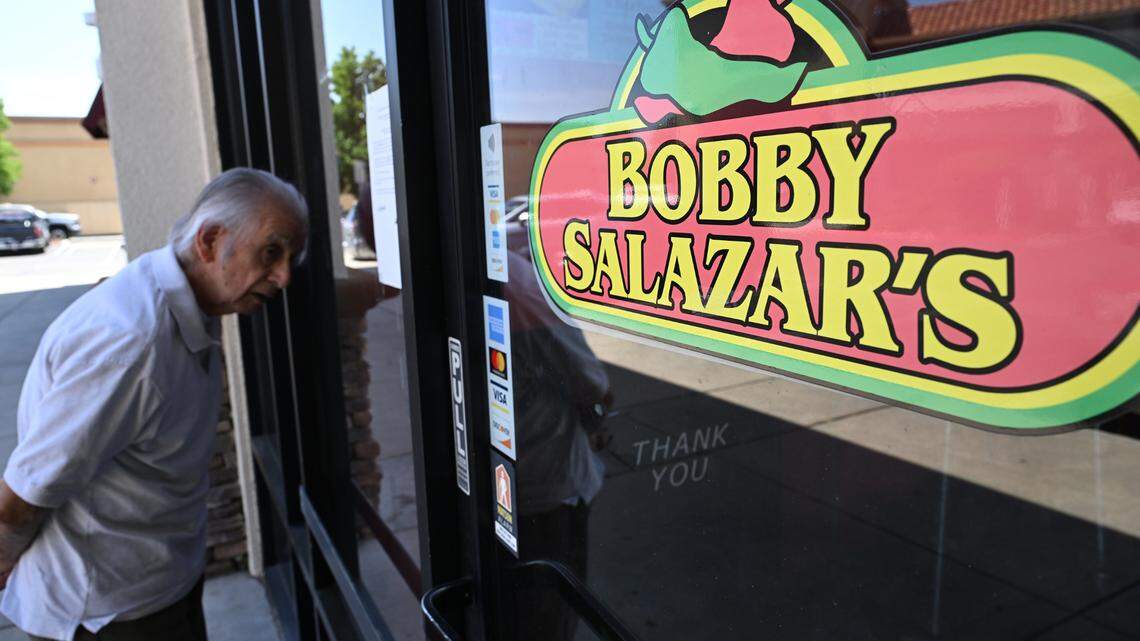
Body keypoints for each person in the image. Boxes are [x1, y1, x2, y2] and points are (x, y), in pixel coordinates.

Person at [0, 168, 309, 641]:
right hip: (111, 614)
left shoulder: (178, 298)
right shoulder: (130, 345)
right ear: (209, 241)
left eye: (292, 257)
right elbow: (23, 495)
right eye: (271, 251)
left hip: (153, 584)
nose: (284, 276)